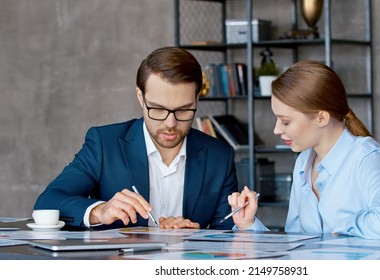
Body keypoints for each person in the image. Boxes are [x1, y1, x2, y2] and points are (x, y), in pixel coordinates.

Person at [34, 46, 238, 230]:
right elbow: (48, 202)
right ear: (140, 97)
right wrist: (100, 211)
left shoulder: (219, 156)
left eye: (184, 110)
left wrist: (197, 238)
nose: (170, 123)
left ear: (197, 100)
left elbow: (228, 234)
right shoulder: (105, 144)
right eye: (157, 109)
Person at [228, 60, 380, 240]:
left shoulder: (366, 156)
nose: (276, 129)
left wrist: (339, 225)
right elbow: (294, 243)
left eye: (285, 121)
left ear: (321, 118)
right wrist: (249, 224)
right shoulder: (303, 162)